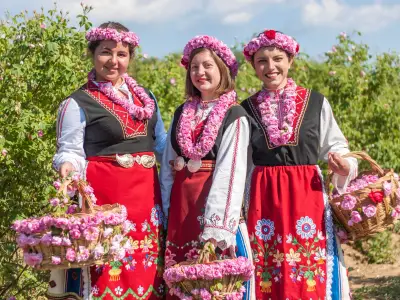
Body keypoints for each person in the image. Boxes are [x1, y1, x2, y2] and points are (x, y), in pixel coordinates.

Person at [47, 22, 167, 300]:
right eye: (105, 52)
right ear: (92, 54)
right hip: (106, 201)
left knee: (146, 270)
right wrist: (67, 166)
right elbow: (70, 151)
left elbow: (161, 144)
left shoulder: (146, 98)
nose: (113, 61)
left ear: (130, 58)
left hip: (147, 201)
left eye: (122, 54)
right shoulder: (78, 102)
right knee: (108, 272)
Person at [241, 29, 357, 300]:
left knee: (312, 269)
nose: (271, 67)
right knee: (267, 270)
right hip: (263, 199)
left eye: (278, 58)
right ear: (253, 66)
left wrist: (343, 166)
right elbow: (241, 163)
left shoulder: (316, 102)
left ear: (290, 61)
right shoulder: (243, 110)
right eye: (262, 61)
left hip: (308, 197)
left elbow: (337, 145)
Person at [160, 35, 253, 299]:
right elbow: (168, 163)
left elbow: (231, 171)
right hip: (182, 207)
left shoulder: (234, 115)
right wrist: (166, 208)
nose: (200, 72)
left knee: (212, 280)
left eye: (207, 66)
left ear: (222, 70)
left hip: (211, 205)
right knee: (181, 278)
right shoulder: (181, 112)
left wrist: (216, 227)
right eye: (194, 67)